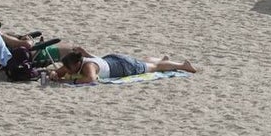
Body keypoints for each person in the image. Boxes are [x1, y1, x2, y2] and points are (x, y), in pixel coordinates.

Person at [51, 51, 195, 84]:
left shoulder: (88, 66)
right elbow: (60, 71)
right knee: (144, 63)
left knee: (154, 68)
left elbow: (91, 79)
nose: (67, 70)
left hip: (122, 66)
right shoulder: (74, 64)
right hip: (112, 60)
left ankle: (183, 65)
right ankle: (163, 60)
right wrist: (54, 74)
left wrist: (65, 82)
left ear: (77, 64)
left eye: (69, 67)